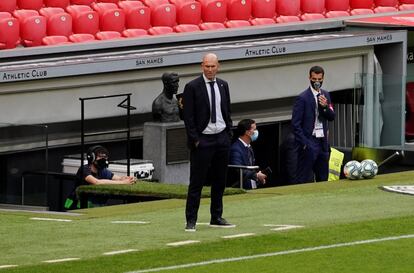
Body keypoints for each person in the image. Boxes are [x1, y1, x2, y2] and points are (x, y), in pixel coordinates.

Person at [182, 53, 234, 231]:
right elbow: (188, 117)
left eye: (213, 66)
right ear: (202, 66)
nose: (210, 70)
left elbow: (226, 110)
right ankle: (191, 220)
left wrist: (228, 133)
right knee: (197, 181)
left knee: (220, 180)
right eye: (207, 66)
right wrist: (195, 139)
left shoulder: (223, 85)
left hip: (221, 137)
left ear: (218, 66)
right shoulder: (192, 87)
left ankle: (216, 216)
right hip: (203, 139)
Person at [291, 66, 335, 183]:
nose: (317, 82)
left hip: (322, 141)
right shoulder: (302, 98)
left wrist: (325, 107)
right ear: (309, 78)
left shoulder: (326, 94)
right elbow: (295, 124)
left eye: (319, 79)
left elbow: (331, 117)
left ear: (323, 78)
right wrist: (305, 143)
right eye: (314, 79)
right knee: (304, 177)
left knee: (323, 177)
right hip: (309, 140)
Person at [64, 145, 136, 209]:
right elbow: (96, 182)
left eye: (104, 157)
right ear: (92, 158)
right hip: (78, 206)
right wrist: (123, 183)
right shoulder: (84, 169)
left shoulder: (102, 170)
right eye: (100, 157)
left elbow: (119, 178)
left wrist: (128, 178)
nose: (103, 159)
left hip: (97, 206)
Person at [229, 119, 267, 189]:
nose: (256, 132)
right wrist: (256, 175)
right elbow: (238, 170)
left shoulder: (248, 146)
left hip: (251, 186)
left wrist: (258, 176)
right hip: (240, 188)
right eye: (254, 129)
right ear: (247, 132)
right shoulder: (236, 149)